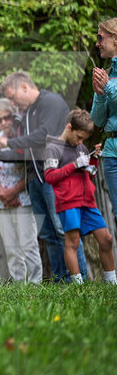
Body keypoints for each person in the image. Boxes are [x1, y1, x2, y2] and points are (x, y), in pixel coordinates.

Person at [0, 71, 87, 282]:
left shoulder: (51, 102)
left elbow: (46, 135)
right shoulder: (28, 112)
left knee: (64, 230)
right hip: (36, 179)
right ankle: (61, 281)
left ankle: (80, 280)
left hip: (56, 176)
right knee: (49, 234)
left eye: (13, 97)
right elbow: (29, 152)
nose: (12, 103)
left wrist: (9, 143)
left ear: (24, 86)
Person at [43, 109, 116, 284]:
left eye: (83, 139)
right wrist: (74, 164)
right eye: (79, 137)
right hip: (68, 202)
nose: (80, 142)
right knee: (73, 242)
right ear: (69, 128)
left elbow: (87, 176)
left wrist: (93, 160)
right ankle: (77, 285)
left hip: (88, 203)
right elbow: (50, 176)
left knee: (106, 239)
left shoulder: (81, 147)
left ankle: (111, 282)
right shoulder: (53, 148)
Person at [0, 98, 42, 282]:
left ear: (14, 116)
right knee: (11, 248)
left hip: (23, 197)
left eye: (7, 117)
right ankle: (18, 286)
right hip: (0, 200)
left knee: (28, 244)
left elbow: (31, 170)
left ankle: (35, 285)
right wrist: (3, 194)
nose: (4, 122)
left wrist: (13, 191)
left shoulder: (22, 139)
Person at [90, 17, 117, 219]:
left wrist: (107, 87)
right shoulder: (106, 74)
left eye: (100, 37)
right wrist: (99, 95)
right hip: (110, 154)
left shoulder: (107, 80)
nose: (97, 43)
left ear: (115, 39)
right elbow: (97, 121)